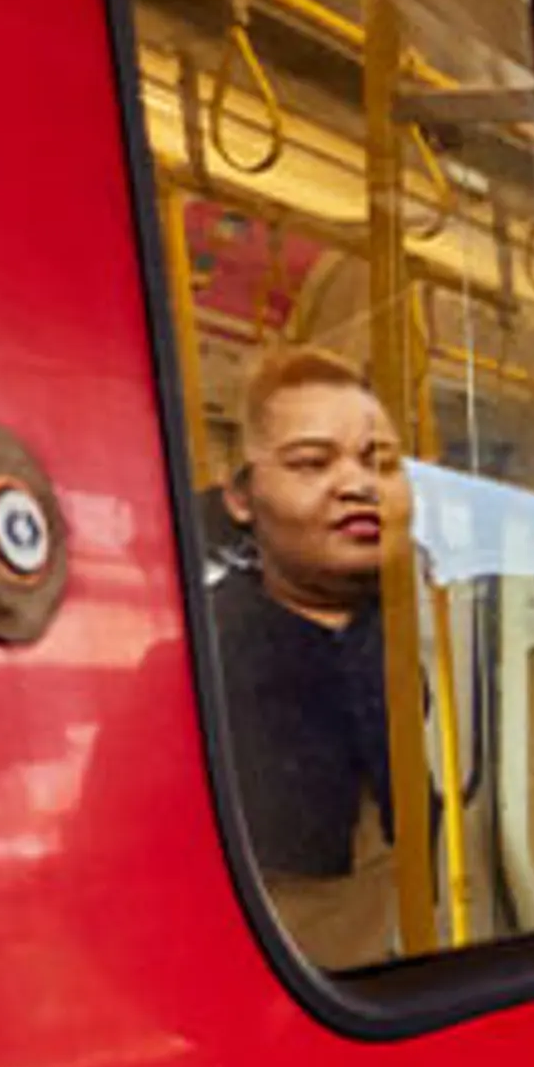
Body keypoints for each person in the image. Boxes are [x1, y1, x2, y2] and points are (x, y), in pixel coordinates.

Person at [205, 346, 420, 970]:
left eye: (378, 461)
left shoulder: (424, 631)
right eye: (311, 462)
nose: (356, 485)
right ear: (243, 497)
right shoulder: (199, 657)